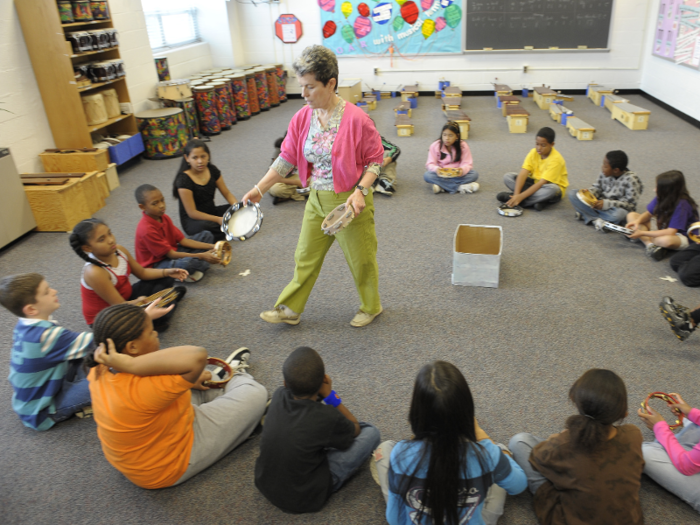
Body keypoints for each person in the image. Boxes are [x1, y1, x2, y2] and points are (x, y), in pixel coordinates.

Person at [241, 45, 385, 327]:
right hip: (316, 198)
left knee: (361, 260)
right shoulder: (302, 117)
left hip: (349, 202)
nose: (303, 94)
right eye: (301, 86)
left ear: (331, 83)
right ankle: (290, 308)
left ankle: (371, 306)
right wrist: (259, 189)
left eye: (310, 87)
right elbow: (287, 158)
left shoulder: (357, 119)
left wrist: (361, 190)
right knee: (305, 256)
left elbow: (375, 162)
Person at [86, 303, 268, 489]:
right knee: (255, 393)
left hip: (150, 442)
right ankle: (241, 398)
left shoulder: (100, 366)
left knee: (195, 375)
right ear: (132, 348)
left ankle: (230, 397)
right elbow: (198, 355)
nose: (155, 333)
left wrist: (142, 319)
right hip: (170, 463)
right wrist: (133, 366)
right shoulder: (142, 388)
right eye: (150, 332)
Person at [373, 361, 526, 525]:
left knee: (385, 448)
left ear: (417, 411)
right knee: (500, 452)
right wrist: (484, 438)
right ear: (466, 410)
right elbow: (519, 485)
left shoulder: (401, 453)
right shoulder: (487, 454)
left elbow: (394, 519)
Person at [509, 369, 644, 525]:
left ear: (575, 400)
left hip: (568, 519)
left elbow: (537, 458)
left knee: (519, 442)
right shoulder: (634, 434)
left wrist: (557, 438)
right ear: (624, 413)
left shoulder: (563, 444)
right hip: (630, 521)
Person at [255, 346, 380, 513]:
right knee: (370, 432)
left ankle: (330, 436)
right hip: (305, 497)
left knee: (316, 432)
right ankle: (333, 435)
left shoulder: (278, 394)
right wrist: (330, 396)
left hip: (265, 483)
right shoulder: (327, 416)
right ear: (323, 380)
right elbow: (356, 429)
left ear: (285, 383)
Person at [0, 273, 94, 430]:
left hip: (50, 384)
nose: (54, 291)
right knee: (111, 380)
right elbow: (99, 339)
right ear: (31, 309)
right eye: (46, 291)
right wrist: (139, 317)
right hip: (45, 410)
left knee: (90, 354)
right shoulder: (46, 336)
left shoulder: (25, 325)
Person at [69, 218, 187, 328]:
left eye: (109, 233)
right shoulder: (94, 272)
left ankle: (161, 306)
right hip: (109, 316)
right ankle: (159, 313)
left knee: (166, 278)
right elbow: (119, 305)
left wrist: (167, 272)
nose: (110, 240)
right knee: (161, 312)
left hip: (126, 298)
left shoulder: (119, 250)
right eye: (102, 239)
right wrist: (137, 302)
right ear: (88, 248)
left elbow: (142, 273)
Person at [134, 184, 220, 283]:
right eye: (155, 203)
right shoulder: (146, 230)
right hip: (157, 264)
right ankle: (184, 271)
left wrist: (213, 246)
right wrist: (201, 255)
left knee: (206, 235)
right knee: (188, 263)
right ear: (142, 207)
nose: (161, 205)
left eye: (162, 200)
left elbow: (183, 241)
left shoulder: (164, 217)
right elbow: (171, 255)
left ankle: (201, 263)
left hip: (172, 251)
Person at [638, 391, 700, 513]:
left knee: (643, 453)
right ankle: (669, 446)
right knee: (694, 425)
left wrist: (660, 428)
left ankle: (666, 445)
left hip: (688, 465)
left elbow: (686, 466)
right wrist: (691, 413)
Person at [173, 139, 238, 242]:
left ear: (208, 156)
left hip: (211, 212)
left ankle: (227, 228)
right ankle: (228, 228)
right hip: (194, 220)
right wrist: (217, 219)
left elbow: (227, 193)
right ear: (187, 158)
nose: (200, 161)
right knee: (208, 227)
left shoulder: (212, 170)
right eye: (195, 158)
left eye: (203, 156)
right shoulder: (183, 180)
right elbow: (192, 213)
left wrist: (237, 208)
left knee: (235, 209)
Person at [626, 170, 698, 261]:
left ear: (667, 191)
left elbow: (670, 232)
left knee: (666, 241)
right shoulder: (661, 196)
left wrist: (642, 233)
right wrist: (637, 222)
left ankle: (645, 239)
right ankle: (650, 245)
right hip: (663, 225)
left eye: (657, 188)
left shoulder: (682, 205)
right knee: (632, 215)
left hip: (681, 234)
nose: (654, 190)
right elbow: (648, 213)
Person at [568, 150, 643, 231]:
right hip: (598, 204)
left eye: (605, 166)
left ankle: (589, 216)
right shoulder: (604, 173)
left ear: (616, 170)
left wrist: (606, 204)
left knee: (620, 214)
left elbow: (631, 205)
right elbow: (597, 188)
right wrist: (589, 193)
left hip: (614, 209)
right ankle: (599, 221)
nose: (602, 167)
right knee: (573, 194)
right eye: (603, 163)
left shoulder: (632, 180)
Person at [497, 127, 568, 211]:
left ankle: (520, 200)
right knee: (508, 176)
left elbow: (542, 183)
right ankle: (537, 201)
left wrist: (520, 197)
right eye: (537, 144)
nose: (539, 148)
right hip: (534, 182)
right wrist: (516, 195)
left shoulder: (556, 160)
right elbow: (523, 173)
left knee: (552, 189)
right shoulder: (533, 152)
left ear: (552, 144)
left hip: (549, 187)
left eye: (543, 145)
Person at [423, 121, 479, 195]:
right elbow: (430, 164)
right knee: (427, 175)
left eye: (450, 135)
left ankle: (442, 186)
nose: (447, 138)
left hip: (457, 175)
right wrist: (436, 169)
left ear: (457, 136)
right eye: (444, 135)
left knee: (474, 174)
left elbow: (468, 164)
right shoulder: (435, 145)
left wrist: (462, 170)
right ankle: (460, 187)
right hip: (442, 174)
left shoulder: (463, 146)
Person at [268, 134, 306, 205]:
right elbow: (274, 177)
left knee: (316, 184)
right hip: (277, 180)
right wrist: (296, 183)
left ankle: (290, 194)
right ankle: (299, 192)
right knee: (276, 190)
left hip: (292, 176)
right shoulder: (279, 151)